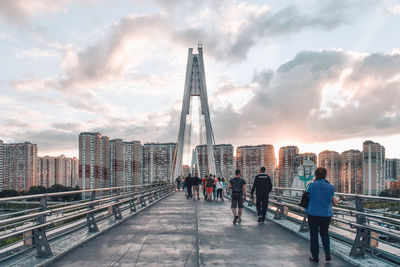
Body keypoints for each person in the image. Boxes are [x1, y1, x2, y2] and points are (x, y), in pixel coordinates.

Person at [306, 167, 339, 262]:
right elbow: (334, 201)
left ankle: (315, 257)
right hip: (326, 214)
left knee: (314, 235)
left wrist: (313, 181)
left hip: (313, 213)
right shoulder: (330, 187)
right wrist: (338, 199)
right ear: (325, 175)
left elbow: (307, 195)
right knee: (325, 234)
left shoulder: (311, 186)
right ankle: (327, 254)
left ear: (316, 175)